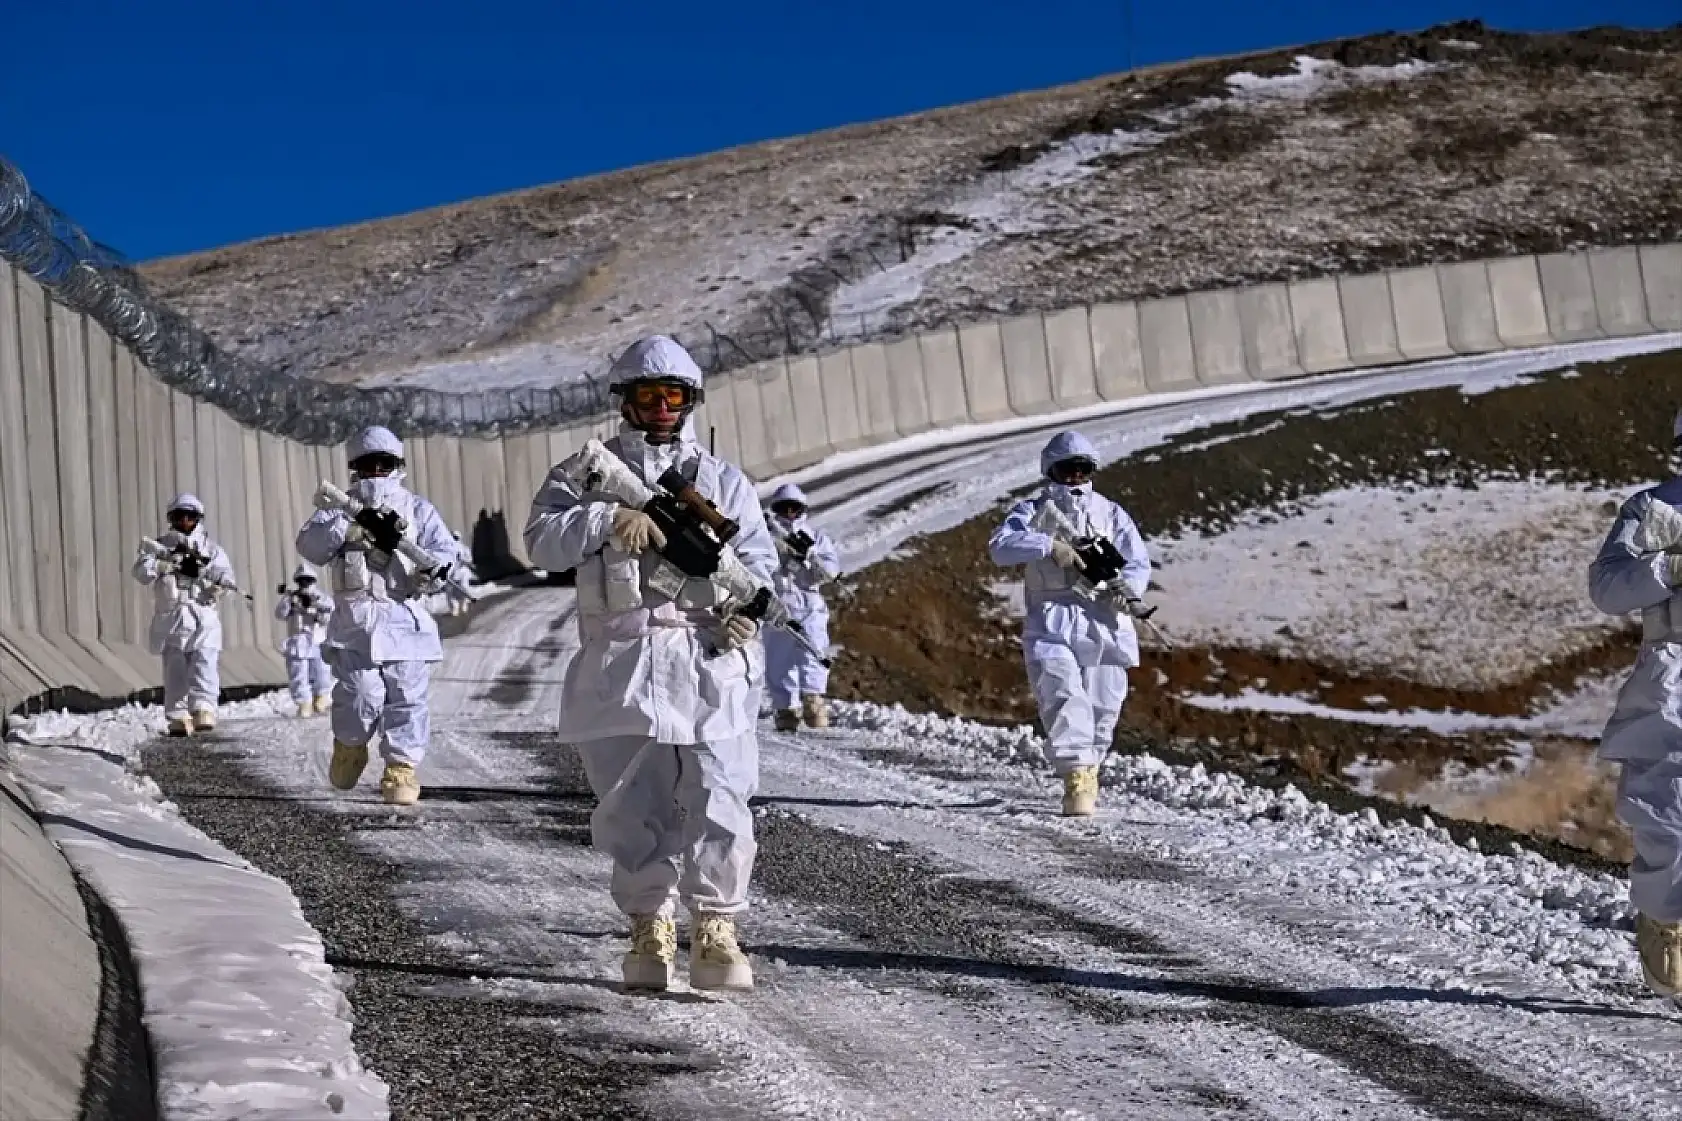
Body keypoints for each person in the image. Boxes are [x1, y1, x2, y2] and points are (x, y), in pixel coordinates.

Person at [524, 334, 776, 993]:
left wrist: (747, 612)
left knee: (721, 790)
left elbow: (760, 567)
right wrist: (608, 516)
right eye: (646, 395)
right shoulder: (584, 471)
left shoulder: (722, 481)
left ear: (690, 402)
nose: (661, 407)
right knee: (631, 799)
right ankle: (649, 925)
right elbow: (541, 541)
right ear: (625, 401)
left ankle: (717, 927)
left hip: (708, 657)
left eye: (673, 395)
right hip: (624, 660)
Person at [987, 431, 1151, 817]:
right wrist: (1049, 546)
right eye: (1068, 469)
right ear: (1052, 470)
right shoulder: (1032, 511)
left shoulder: (1111, 513)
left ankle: (1090, 772)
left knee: (1104, 704)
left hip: (1103, 617)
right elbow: (1000, 547)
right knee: (1060, 692)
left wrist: (1127, 590)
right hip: (1052, 616)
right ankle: (1075, 775)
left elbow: (1137, 561)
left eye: (1083, 468)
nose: (1076, 476)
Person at [297, 426, 458, 807]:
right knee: (360, 695)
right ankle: (350, 745)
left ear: (397, 466)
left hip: (404, 621)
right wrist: (347, 526)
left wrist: (434, 571)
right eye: (369, 464)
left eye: (384, 464)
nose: (376, 471)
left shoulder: (417, 509)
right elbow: (310, 545)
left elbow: (443, 553)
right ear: (356, 467)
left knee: (407, 697)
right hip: (356, 625)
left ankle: (401, 769)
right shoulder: (338, 507)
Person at [1588, 409, 1682, 1000]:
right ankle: (1667, 927)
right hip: (1674, 675)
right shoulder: (1656, 510)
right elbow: (1608, 585)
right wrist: (1670, 566)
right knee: (1669, 815)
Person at [131, 493, 240, 737]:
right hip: (172, 619)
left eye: (190, 516)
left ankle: (203, 709)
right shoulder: (161, 547)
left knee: (204, 665)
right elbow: (140, 573)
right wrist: (160, 565)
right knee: (175, 670)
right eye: (180, 516)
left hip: (202, 618)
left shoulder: (211, 549)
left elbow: (226, 576)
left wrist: (217, 587)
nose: (185, 520)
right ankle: (178, 716)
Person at [762, 482, 840, 732]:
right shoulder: (766, 536)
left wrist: (808, 557)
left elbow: (829, 573)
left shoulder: (816, 539)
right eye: (784, 508)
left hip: (809, 606)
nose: (789, 514)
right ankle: (785, 711)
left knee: (815, 654)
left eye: (794, 508)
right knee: (778, 661)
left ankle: (814, 702)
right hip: (778, 607)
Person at [274, 562, 334, 718]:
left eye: (307, 580)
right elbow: (279, 614)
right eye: (301, 580)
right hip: (298, 642)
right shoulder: (292, 598)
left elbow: (329, 615)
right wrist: (290, 602)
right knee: (298, 674)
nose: (304, 583)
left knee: (321, 673)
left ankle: (321, 698)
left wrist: (312, 608)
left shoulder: (321, 597)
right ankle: (304, 703)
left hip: (317, 641)